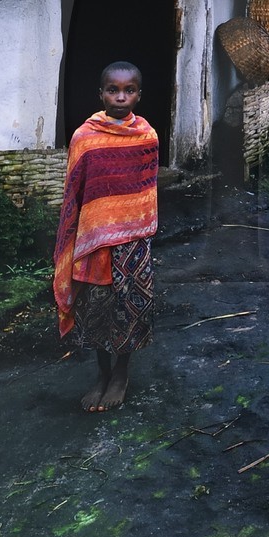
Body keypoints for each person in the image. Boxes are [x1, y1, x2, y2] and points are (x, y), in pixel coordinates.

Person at [53, 61, 159, 412]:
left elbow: (146, 190)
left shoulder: (147, 136)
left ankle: (121, 373)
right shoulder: (85, 137)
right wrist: (79, 235)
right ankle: (101, 373)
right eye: (113, 90)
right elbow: (74, 193)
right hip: (95, 240)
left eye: (129, 90)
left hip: (132, 241)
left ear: (139, 95)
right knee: (95, 309)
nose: (121, 97)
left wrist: (133, 225)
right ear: (101, 94)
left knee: (130, 308)